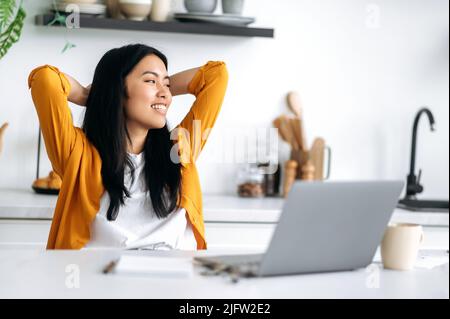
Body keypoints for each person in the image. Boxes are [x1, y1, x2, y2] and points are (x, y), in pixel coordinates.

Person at [28, 44, 228, 250]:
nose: (166, 95)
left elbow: (217, 75)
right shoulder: (77, 153)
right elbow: (45, 79)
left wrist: (159, 88)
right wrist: (96, 94)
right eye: (150, 81)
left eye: (167, 85)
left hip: (173, 277)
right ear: (118, 89)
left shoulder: (180, 149)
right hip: (97, 278)